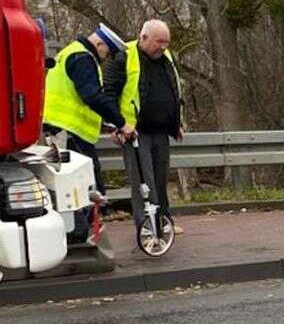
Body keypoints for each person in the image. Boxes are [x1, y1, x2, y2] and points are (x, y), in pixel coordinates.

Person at [43, 24, 129, 240]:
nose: (106, 58)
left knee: (72, 186)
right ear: (99, 44)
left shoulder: (70, 52)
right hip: (71, 133)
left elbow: (76, 98)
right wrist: (121, 122)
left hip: (60, 130)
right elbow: (91, 96)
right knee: (86, 187)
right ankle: (80, 236)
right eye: (107, 53)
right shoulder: (83, 58)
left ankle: (80, 233)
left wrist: (106, 124)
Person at [104, 19, 183, 235]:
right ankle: (146, 225)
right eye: (159, 41)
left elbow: (174, 90)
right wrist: (116, 126)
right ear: (144, 37)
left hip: (162, 130)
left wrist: (177, 122)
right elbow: (109, 94)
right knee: (143, 182)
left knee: (160, 179)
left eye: (166, 42)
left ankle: (163, 221)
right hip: (136, 132)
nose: (163, 46)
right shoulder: (123, 56)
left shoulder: (166, 58)